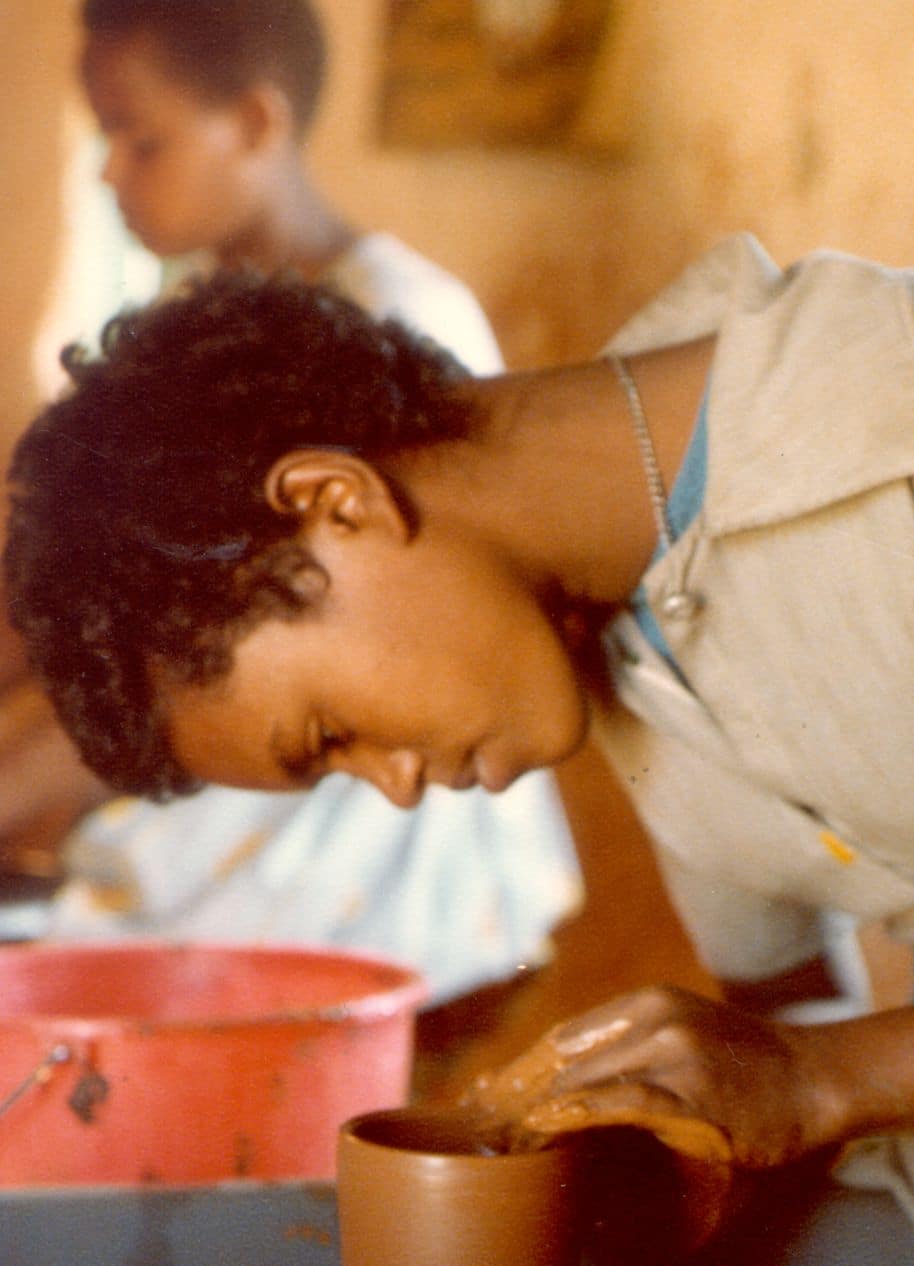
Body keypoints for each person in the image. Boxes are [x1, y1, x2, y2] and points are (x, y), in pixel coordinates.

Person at [5, 237, 914, 1266]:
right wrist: (673, 1148)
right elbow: (787, 1002)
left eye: (332, 734)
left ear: (335, 503)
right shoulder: (622, 617)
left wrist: (823, 1079)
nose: (396, 785)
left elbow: (816, 1061)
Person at [0, 0, 579, 1008]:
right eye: (103, 142)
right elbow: (84, 600)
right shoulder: (193, 336)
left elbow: (239, 653)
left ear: (256, 123)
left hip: (378, 845)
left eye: (141, 141)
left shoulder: (399, 316)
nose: (109, 175)